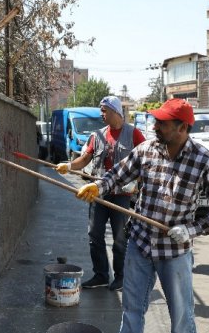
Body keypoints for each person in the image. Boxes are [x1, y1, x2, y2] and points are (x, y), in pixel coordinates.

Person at [74, 98, 209, 333]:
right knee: (132, 309)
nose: (156, 126)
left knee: (181, 313)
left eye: (162, 123)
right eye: (156, 121)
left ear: (183, 127)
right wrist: (99, 187)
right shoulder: (147, 150)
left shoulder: (204, 161)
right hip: (141, 244)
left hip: (174, 253)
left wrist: (191, 229)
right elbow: (118, 175)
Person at [56, 95, 145, 291]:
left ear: (115, 111)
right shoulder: (97, 136)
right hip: (97, 193)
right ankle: (101, 275)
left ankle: (121, 277)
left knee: (120, 239)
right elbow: (85, 159)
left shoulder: (134, 134)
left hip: (121, 196)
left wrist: (139, 182)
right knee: (94, 235)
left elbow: (145, 162)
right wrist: (69, 165)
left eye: (104, 110)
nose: (101, 114)